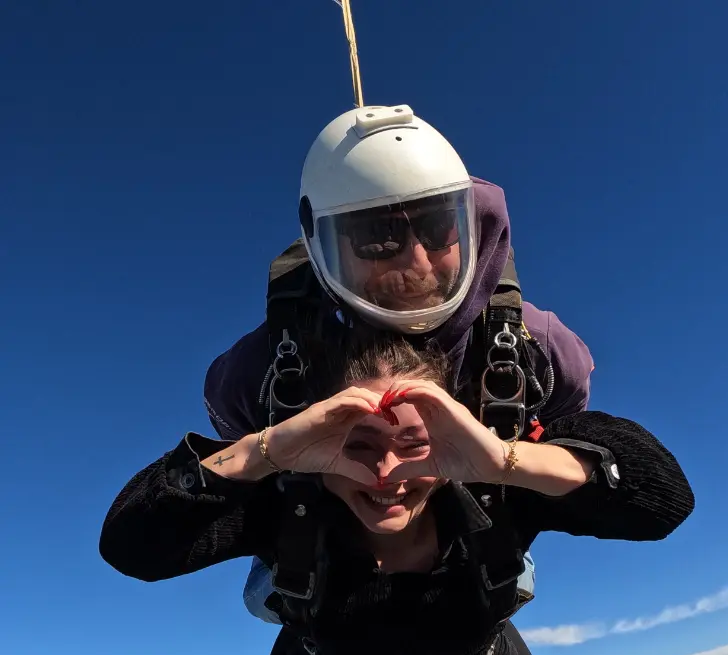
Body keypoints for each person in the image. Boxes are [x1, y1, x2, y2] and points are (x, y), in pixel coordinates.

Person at [100, 334, 695, 655]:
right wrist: (268, 450)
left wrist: (507, 462)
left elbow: (663, 500)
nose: (386, 475)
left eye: (417, 448)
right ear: (316, 450)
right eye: (354, 449)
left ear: (455, 443)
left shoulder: (488, 488)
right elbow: (133, 547)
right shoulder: (294, 501)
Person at [202, 104, 596, 625]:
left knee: (506, 584)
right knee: (273, 593)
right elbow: (233, 459)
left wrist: (500, 461)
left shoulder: (538, 349)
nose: (416, 263)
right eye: (377, 236)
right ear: (322, 240)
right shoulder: (259, 372)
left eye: (438, 229)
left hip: (472, 527)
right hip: (328, 527)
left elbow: (570, 430)